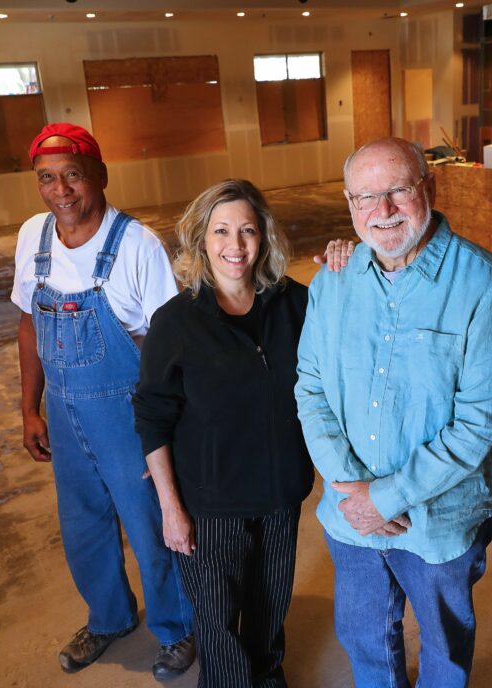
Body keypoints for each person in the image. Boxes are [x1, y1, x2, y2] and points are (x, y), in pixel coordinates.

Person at [295, 137, 492, 687]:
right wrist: (354, 490)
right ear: (350, 205)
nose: (384, 211)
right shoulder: (333, 280)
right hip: (349, 518)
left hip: (438, 524)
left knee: (444, 645)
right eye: (365, 197)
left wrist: (386, 498)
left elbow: (478, 425)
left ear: (430, 188)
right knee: (365, 638)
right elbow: (311, 387)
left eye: (398, 190)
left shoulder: (484, 285)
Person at [11, 123, 195, 680]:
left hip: (127, 416)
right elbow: (28, 323)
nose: (61, 190)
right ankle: (109, 617)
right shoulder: (33, 237)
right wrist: (29, 407)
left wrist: (174, 428)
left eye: (73, 175)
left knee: (152, 526)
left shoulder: (136, 244)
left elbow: (171, 342)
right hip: (65, 416)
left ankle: (178, 628)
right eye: (47, 178)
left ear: (100, 176)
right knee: (83, 525)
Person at [133, 179, 313, 688]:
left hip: (280, 495)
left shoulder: (296, 304)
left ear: (265, 237)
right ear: (201, 239)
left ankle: (268, 675)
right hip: (209, 506)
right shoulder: (175, 322)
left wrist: (345, 262)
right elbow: (152, 416)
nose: (235, 246)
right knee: (216, 625)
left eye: (247, 231)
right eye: (222, 231)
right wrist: (171, 507)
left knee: (269, 608)